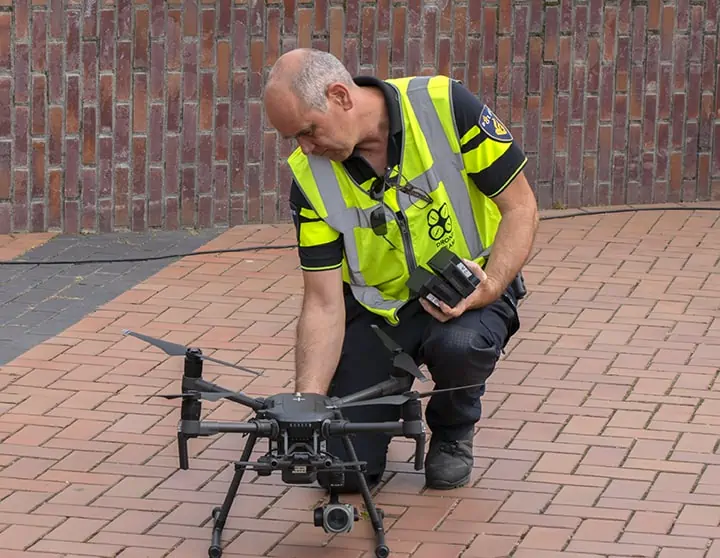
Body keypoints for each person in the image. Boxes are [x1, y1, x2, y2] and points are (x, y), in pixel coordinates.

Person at [262, 48, 538, 492]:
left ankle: (451, 431)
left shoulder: (446, 105)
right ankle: (384, 404)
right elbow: (322, 300)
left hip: (466, 290)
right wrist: (308, 402)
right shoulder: (309, 176)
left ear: (340, 96)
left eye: (309, 131)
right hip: (379, 314)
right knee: (340, 474)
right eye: (295, 138)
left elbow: (520, 207)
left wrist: (489, 287)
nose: (306, 148)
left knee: (462, 346)